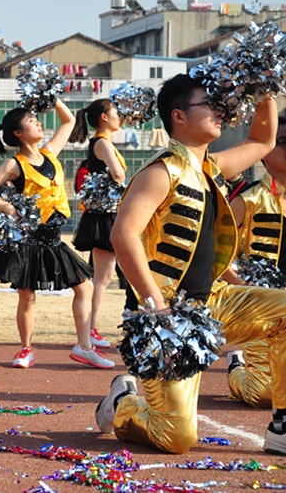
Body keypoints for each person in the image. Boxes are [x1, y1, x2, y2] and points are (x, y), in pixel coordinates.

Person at [98, 73, 284, 455]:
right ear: (179, 116)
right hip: (169, 317)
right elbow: (123, 236)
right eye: (208, 104)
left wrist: (262, 84)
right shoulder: (160, 172)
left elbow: (263, 140)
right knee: (177, 438)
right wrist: (158, 307)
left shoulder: (211, 168)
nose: (219, 111)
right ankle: (123, 403)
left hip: (215, 302)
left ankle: (282, 424)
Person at [0, 100, 114, 370]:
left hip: (54, 239)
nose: (38, 123)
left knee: (84, 287)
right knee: (27, 295)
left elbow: (69, 121)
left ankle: (84, 347)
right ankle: (25, 349)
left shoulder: (50, 152)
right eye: (31, 121)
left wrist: (52, 99)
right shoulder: (14, 165)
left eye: (36, 119)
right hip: (30, 240)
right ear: (18, 133)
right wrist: (8, 208)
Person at [218, 116, 286, 410]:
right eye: (284, 143)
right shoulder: (248, 199)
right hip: (263, 308)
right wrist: (242, 286)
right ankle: (237, 368)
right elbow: (215, 254)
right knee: (265, 396)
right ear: (265, 151)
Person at [68, 98, 127, 349]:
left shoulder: (101, 142)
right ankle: (90, 329)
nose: (119, 117)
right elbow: (117, 173)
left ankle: (91, 328)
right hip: (105, 215)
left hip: (106, 214)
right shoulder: (102, 143)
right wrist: (125, 185)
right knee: (102, 277)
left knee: (105, 275)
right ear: (104, 117)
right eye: (115, 113)